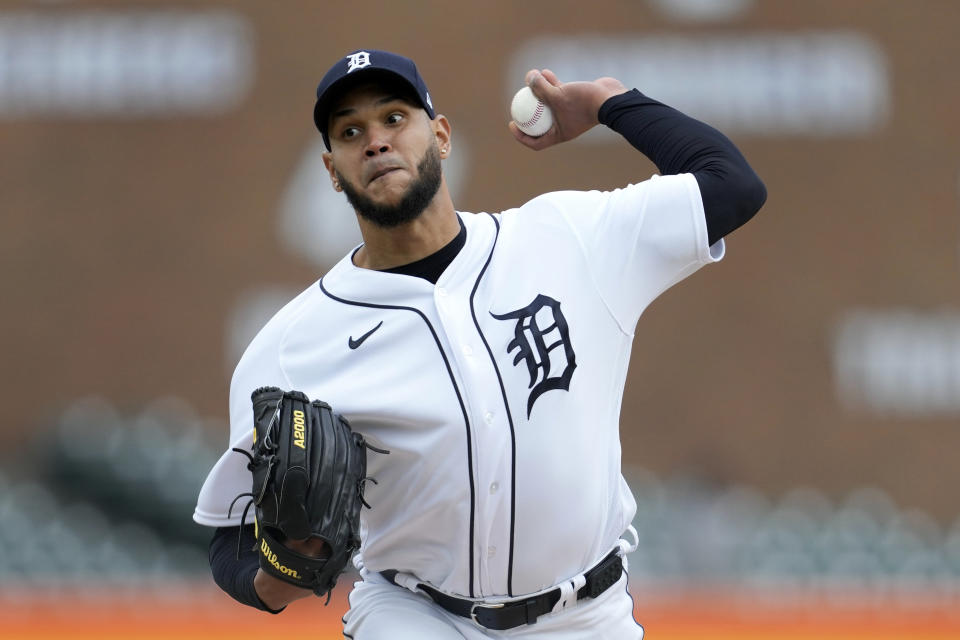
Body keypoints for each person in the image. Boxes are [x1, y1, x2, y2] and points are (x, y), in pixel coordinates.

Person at [194, 48, 766, 639]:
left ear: (440, 136)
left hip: (588, 616)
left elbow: (732, 185)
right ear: (332, 169)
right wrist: (280, 572)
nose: (375, 141)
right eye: (350, 131)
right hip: (415, 615)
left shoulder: (568, 238)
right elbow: (228, 539)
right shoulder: (292, 344)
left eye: (395, 118)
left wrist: (608, 105)